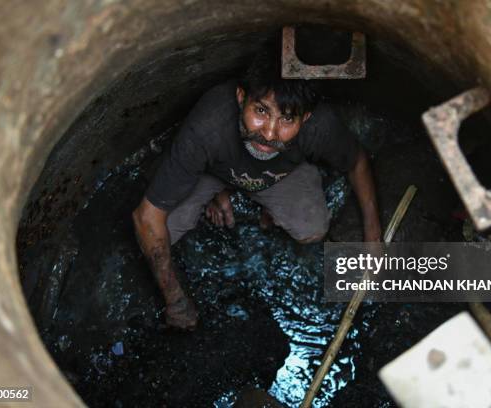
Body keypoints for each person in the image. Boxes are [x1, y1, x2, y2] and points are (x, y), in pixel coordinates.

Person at [132, 49, 381, 330]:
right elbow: (147, 216)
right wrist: (175, 300)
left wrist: (373, 240)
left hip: (281, 172)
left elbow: (357, 161)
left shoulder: (319, 126)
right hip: (212, 169)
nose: (269, 133)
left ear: (306, 117)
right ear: (241, 98)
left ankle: (275, 183)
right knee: (166, 230)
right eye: (261, 111)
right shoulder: (209, 125)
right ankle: (219, 189)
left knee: (312, 228)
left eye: (287, 119)